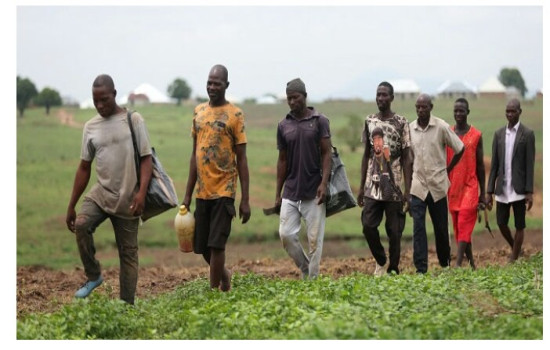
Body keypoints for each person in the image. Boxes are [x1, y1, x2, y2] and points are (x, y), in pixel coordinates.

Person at [66, 74, 153, 304]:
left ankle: (126, 307)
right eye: (96, 101)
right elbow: (84, 167)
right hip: (101, 194)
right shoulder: (90, 127)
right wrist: (71, 205)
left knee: (128, 255)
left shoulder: (133, 120)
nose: (100, 105)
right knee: (82, 225)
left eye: (104, 99)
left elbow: (146, 159)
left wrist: (142, 193)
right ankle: (93, 276)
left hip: (129, 199)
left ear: (114, 94)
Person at [182, 64, 250, 291]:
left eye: (217, 83)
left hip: (225, 189)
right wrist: (187, 195)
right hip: (203, 191)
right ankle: (224, 275)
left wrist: (245, 200)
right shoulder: (199, 112)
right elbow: (195, 154)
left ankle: (213, 294)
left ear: (226, 86)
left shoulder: (235, 115)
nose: (212, 87)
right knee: (202, 248)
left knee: (217, 245)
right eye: (209, 82)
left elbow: (242, 159)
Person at [275, 78, 332, 279]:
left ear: (304, 96)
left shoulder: (319, 121)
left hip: (314, 191)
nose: (292, 102)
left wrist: (324, 184)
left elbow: (327, 154)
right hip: (291, 190)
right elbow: (282, 161)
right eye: (289, 98)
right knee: (286, 235)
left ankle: (313, 282)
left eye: (296, 97)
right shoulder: (283, 125)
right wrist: (277, 194)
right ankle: (305, 268)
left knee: (315, 242)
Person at [357, 81, 412, 276]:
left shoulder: (401, 122)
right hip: (373, 184)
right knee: (368, 226)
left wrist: (407, 189)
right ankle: (381, 259)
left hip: (395, 185)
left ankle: (394, 268)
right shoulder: (370, 121)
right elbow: (366, 155)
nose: (381, 98)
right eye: (378, 94)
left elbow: (407, 157)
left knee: (394, 231)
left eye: (384, 95)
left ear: (392, 97)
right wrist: (362, 186)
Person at [409, 93, 464, 274]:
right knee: (418, 228)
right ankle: (421, 269)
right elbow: (408, 157)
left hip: (438, 186)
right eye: (418, 107)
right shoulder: (410, 129)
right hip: (418, 186)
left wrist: (448, 169)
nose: (420, 110)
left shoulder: (441, 127)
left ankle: (444, 263)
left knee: (441, 228)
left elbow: (459, 148)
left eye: (424, 107)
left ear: (431, 107)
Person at [486, 98, 535, 262]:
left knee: (519, 225)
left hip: (519, 188)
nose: (510, 114)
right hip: (502, 187)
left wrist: (529, 191)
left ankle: (513, 258)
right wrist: (489, 191)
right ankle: (516, 247)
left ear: (520, 112)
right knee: (501, 223)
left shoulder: (527, 134)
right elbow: (494, 165)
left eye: (513, 111)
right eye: (507, 111)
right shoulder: (499, 134)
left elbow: (530, 164)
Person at [446, 98, 485, 269]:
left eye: (461, 111)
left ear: (467, 112)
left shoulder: (476, 135)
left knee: (464, 222)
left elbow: (481, 166)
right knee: (459, 227)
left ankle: (458, 264)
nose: (458, 114)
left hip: (470, 185)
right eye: (455, 111)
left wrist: (483, 193)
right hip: (453, 186)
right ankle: (473, 265)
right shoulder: (448, 134)